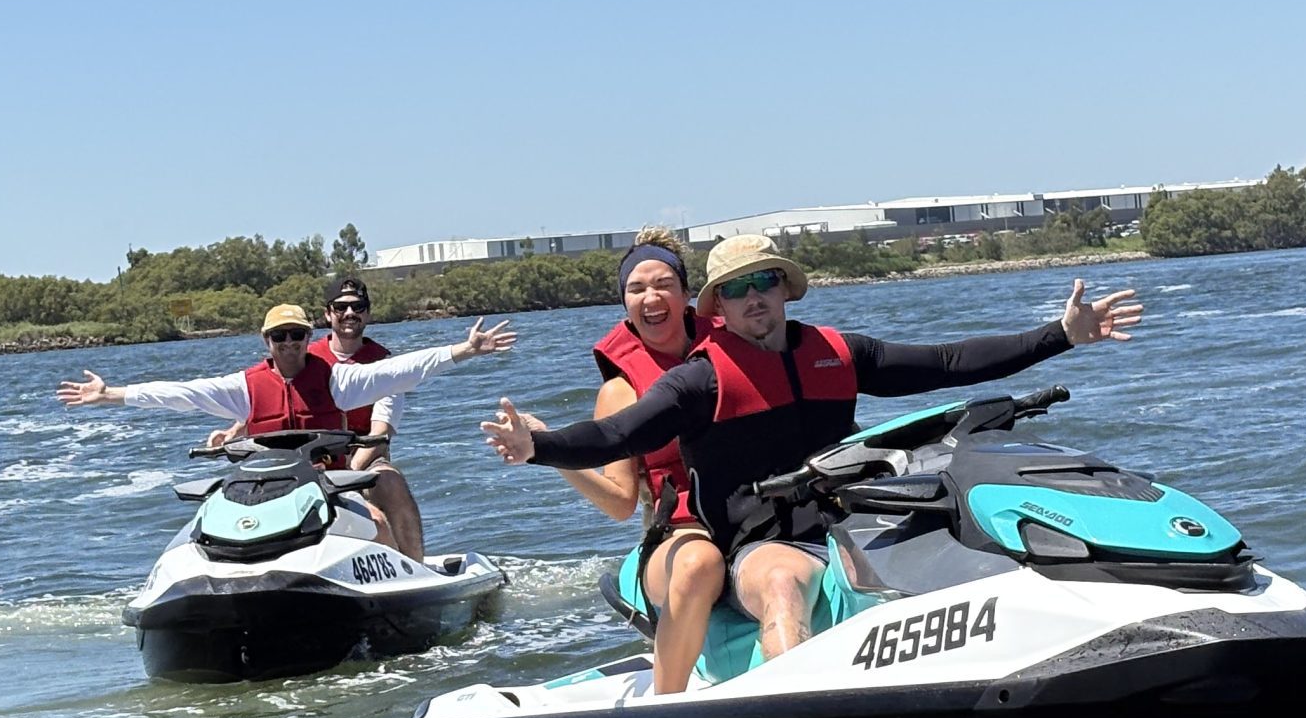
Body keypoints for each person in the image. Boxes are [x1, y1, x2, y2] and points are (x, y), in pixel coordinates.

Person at [483, 234, 1141, 665]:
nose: (752, 299)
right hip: (761, 541)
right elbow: (614, 436)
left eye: (763, 282)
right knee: (778, 586)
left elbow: (947, 361)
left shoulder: (836, 352)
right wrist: (535, 444)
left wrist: (1061, 335)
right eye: (735, 290)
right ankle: (787, 714)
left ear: (784, 288)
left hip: (855, 522)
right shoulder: (699, 380)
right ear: (717, 305)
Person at [59, 305, 517, 554]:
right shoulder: (243, 387)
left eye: (297, 335)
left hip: (328, 482)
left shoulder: (337, 379)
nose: (290, 344)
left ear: (307, 336)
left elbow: (399, 372)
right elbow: (181, 392)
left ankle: (407, 580)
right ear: (267, 343)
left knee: (377, 523)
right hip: (264, 487)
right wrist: (112, 394)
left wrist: (464, 350)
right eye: (280, 337)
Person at [544, 229, 724, 695]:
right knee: (700, 563)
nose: (651, 296)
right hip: (682, 535)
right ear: (624, 304)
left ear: (687, 295)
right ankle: (668, 709)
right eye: (636, 288)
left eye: (663, 283)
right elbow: (622, 503)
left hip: (753, 513)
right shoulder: (620, 392)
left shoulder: (735, 354)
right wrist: (549, 450)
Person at [308, 276, 430, 560]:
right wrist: (233, 430)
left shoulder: (385, 365)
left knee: (390, 481)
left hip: (365, 457)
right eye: (341, 307)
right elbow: (268, 393)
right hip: (311, 457)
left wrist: (349, 472)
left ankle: (415, 567)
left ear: (368, 313)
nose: (349, 314)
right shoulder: (306, 359)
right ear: (328, 314)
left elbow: (381, 432)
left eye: (358, 307)